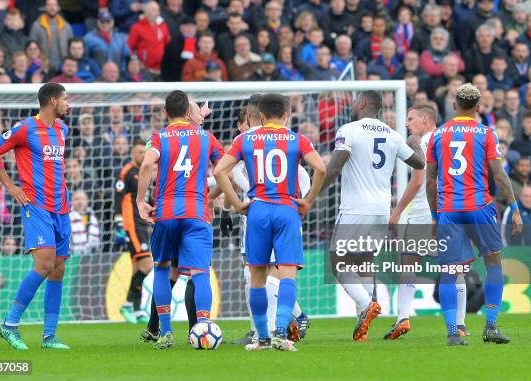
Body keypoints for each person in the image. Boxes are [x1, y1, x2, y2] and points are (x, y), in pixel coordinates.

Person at [213, 93, 326, 352]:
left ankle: (261, 338)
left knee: (256, 277)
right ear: (286, 115)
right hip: (287, 209)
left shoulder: (245, 139)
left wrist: (238, 203)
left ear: (260, 116)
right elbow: (320, 169)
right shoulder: (298, 139)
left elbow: (220, 171)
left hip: (258, 210)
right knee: (287, 274)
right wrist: (307, 200)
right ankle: (280, 334)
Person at [319, 90, 425, 342]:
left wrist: (313, 195)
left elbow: (335, 166)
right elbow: (419, 163)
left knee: (339, 261)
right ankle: (362, 328)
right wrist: (416, 142)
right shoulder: (392, 134)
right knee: (364, 261)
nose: (353, 105)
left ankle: (367, 304)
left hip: (355, 208)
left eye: (356, 102)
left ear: (363, 103)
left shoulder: (350, 129)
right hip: (381, 209)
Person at [426, 83, 523, 346]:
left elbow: (430, 181)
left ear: (455, 105)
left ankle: (452, 332)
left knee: (448, 269)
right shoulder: (486, 133)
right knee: (493, 263)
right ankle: (490, 326)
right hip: (479, 207)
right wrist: (514, 208)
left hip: (449, 211)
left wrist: (435, 216)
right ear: (478, 107)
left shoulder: (438, 135)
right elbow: (499, 175)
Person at [0, 82, 72, 350]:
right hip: (37, 206)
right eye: (66, 99)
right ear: (53, 101)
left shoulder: (63, 129)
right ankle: (9, 325)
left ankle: (49, 336)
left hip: (62, 208)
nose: (69, 104)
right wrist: (11, 187)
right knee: (44, 265)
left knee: (57, 270)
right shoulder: (25, 128)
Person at [136, 90, 224, 349]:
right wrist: (214, 195)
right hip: (196, 213)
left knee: (163, 269)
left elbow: (146, 166)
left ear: (165, 112)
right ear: (189, 112)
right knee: (200, 274)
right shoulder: (206, 137)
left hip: (165, 214)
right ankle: (204, 328)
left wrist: (141, 200)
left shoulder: (159, 137)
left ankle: (165, 332)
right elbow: (223, 170)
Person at [384, 104, 469, 340]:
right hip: (453, 211)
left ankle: (403, 317)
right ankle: (460, 324)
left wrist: (398, 211)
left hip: (423, 210)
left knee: (408, 265)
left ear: (424, 119)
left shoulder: (422, 143)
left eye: (410, 118)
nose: (406, 123)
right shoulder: (451, 140)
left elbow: (418, 181)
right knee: (456, 269)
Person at [114, 140, 153, 324]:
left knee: (138, 268)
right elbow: (118, 197)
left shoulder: (144, 172)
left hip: (141, 223)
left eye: (143, 152)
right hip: (132, 225)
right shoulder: (127, 172)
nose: (142, 155)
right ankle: (128, 303)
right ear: (132, 153)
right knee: (147, 265)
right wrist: (119, 223)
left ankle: (136, 309)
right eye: (139, 152)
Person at [29, 0, 73, 72]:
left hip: (63, 65)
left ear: (58, 8)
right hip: (43, 66)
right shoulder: (36, 26)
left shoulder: (66, 26)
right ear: (45, 8)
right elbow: (31, 47)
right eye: (49, 5)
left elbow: (71, 47)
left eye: (54, 5)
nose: (52, 8)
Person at [69, 190, 100, 255]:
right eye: (77, 199)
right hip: (72, 253)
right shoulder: (67, 217)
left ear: (87, 201)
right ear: (71, 202)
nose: (80, 202)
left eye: (83, 199)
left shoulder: (92, 217)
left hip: (91, 253)